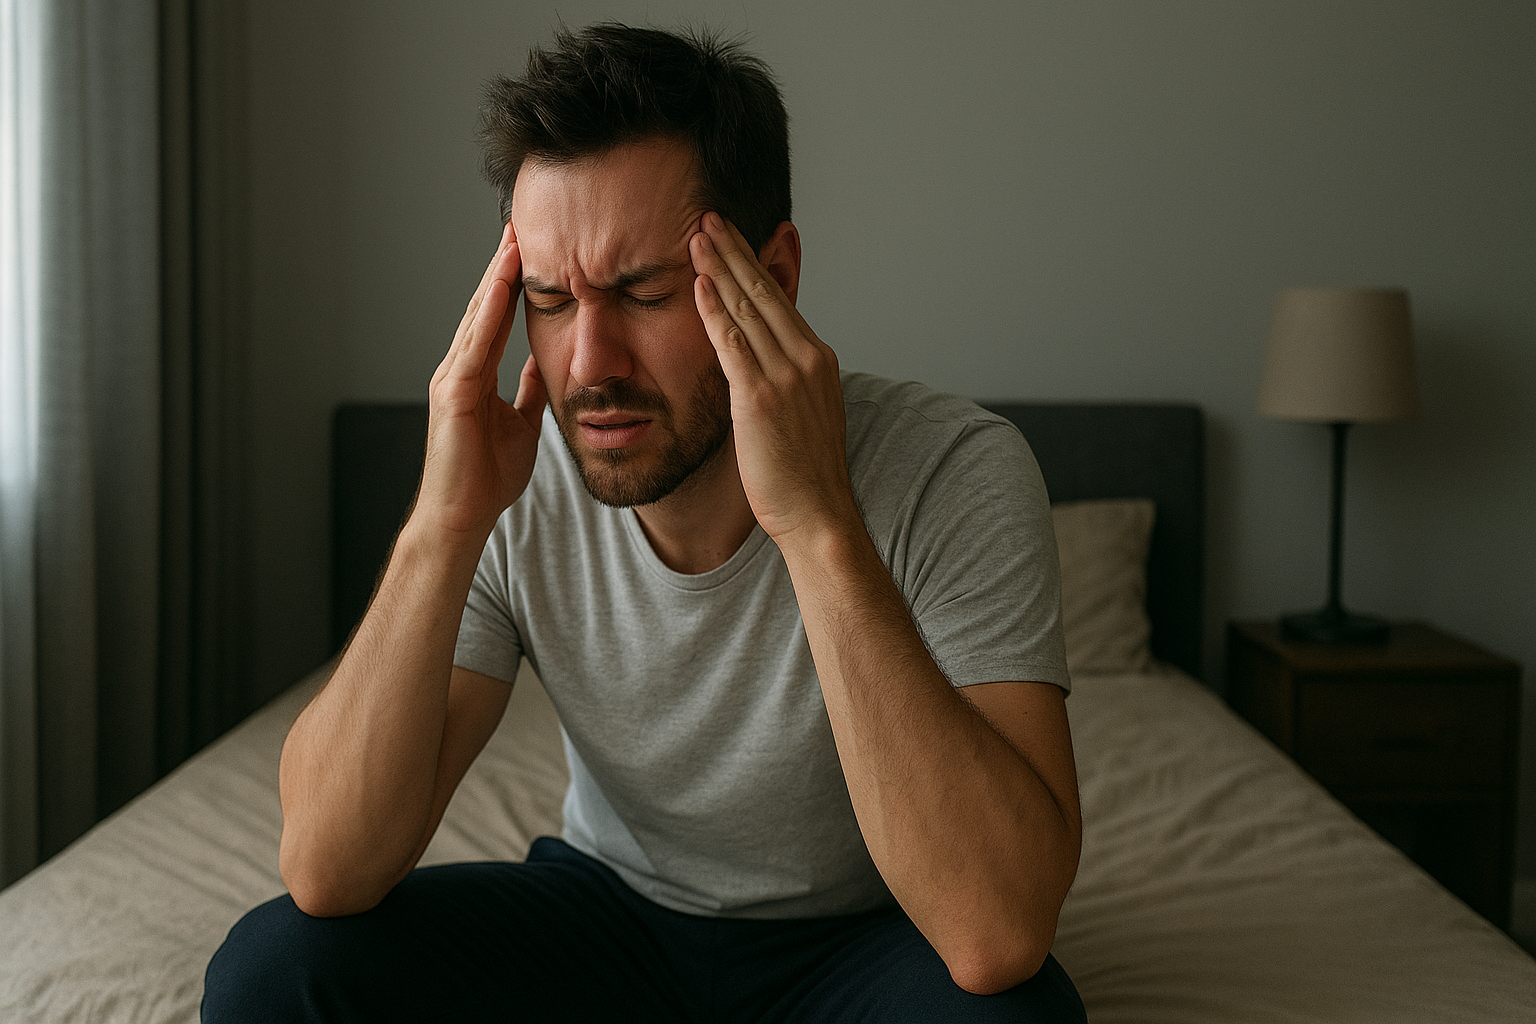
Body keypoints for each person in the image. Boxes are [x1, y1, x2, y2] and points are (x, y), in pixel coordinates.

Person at [203, 23, 1085, 1024]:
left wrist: (819, 525)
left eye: (643, 292)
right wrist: (442, 527)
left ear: (777, 278)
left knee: (1014, 1015)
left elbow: (1000, 926)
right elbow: (325, 867)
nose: (589, 365)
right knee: (272, 970)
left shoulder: (954, 470)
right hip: (605, 914)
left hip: (869, 936)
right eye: (548, 298)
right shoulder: (513, 474)